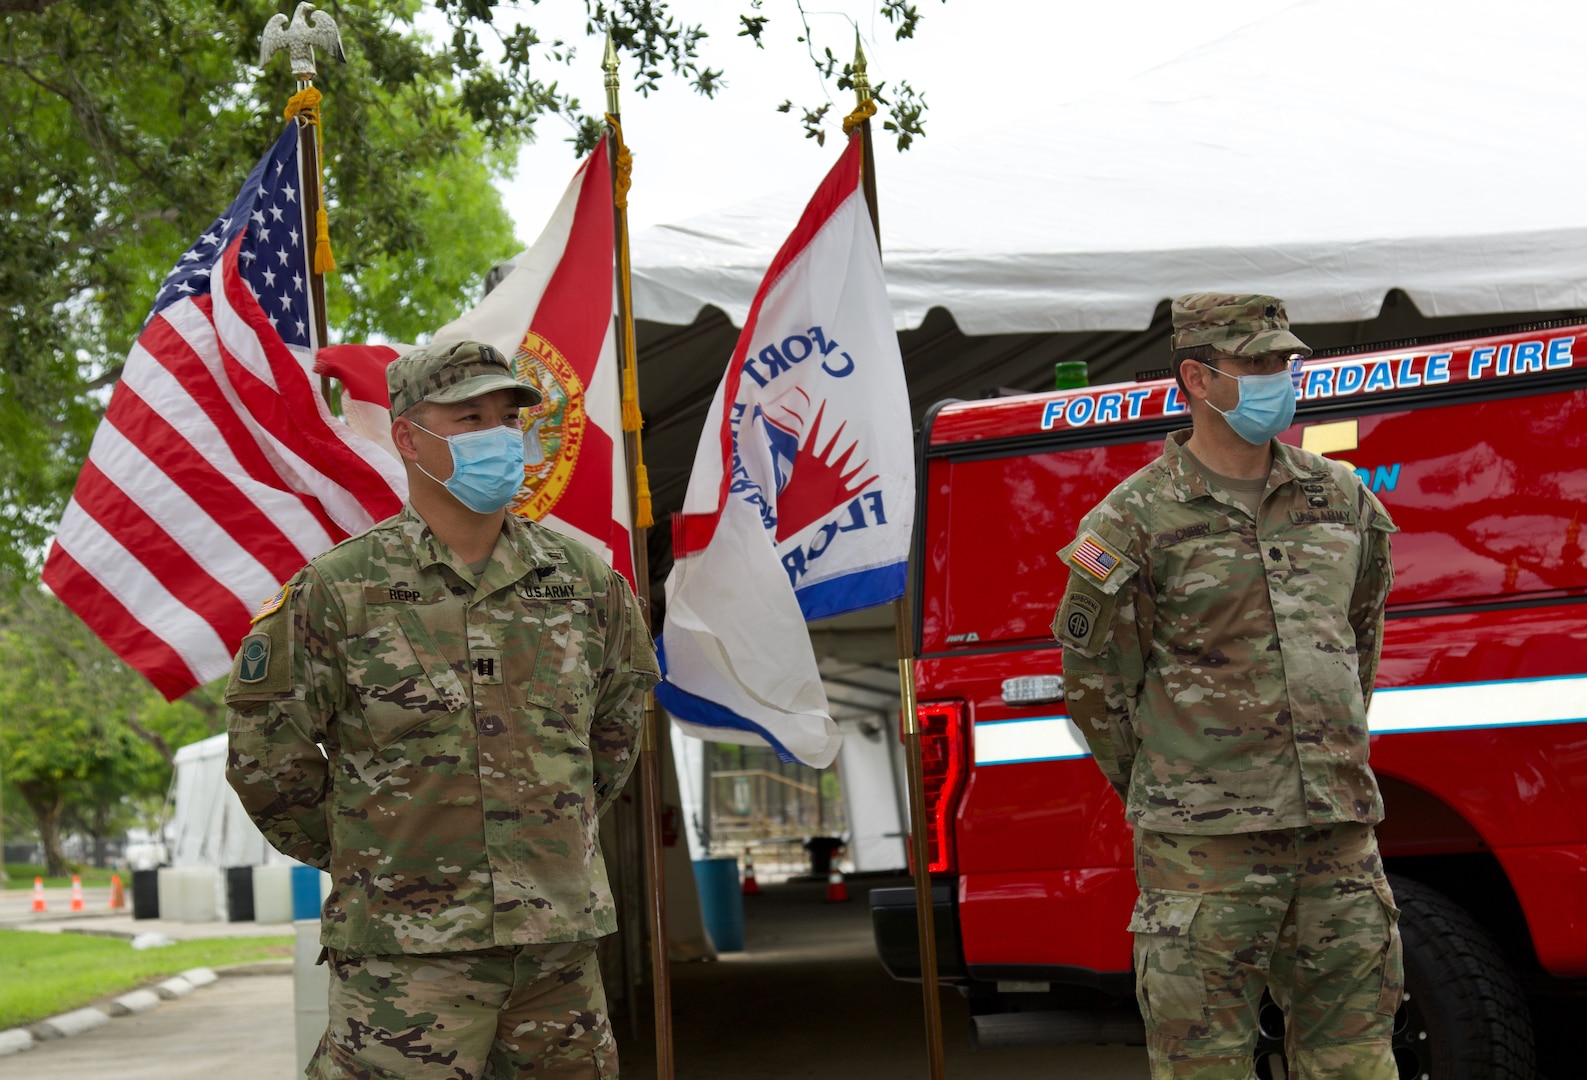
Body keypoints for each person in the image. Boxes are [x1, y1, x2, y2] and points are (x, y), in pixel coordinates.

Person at [225, 339, 659, 1079]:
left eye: (506, 418)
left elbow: (613, 736)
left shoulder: (586, 583)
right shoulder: (339, 591)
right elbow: (268, 761)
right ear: (407, 437)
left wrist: (545, 838)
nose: (500, 437)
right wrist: (374, 856)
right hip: (404, 961)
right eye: (469, 418)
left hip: (555, 951)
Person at [1053, 294, 1401, 1078]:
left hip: (1336, 838)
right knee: (1201, 1063)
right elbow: (1095, 687)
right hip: (1203, 854)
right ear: (1197, 379)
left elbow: (1356, 641)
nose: (1280, 378)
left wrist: (1320, 754)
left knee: (1355, 1059)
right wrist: (1175, 786)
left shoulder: (1341, 499)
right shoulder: (1131, 522)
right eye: (1256, 365)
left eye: (1286, 362)